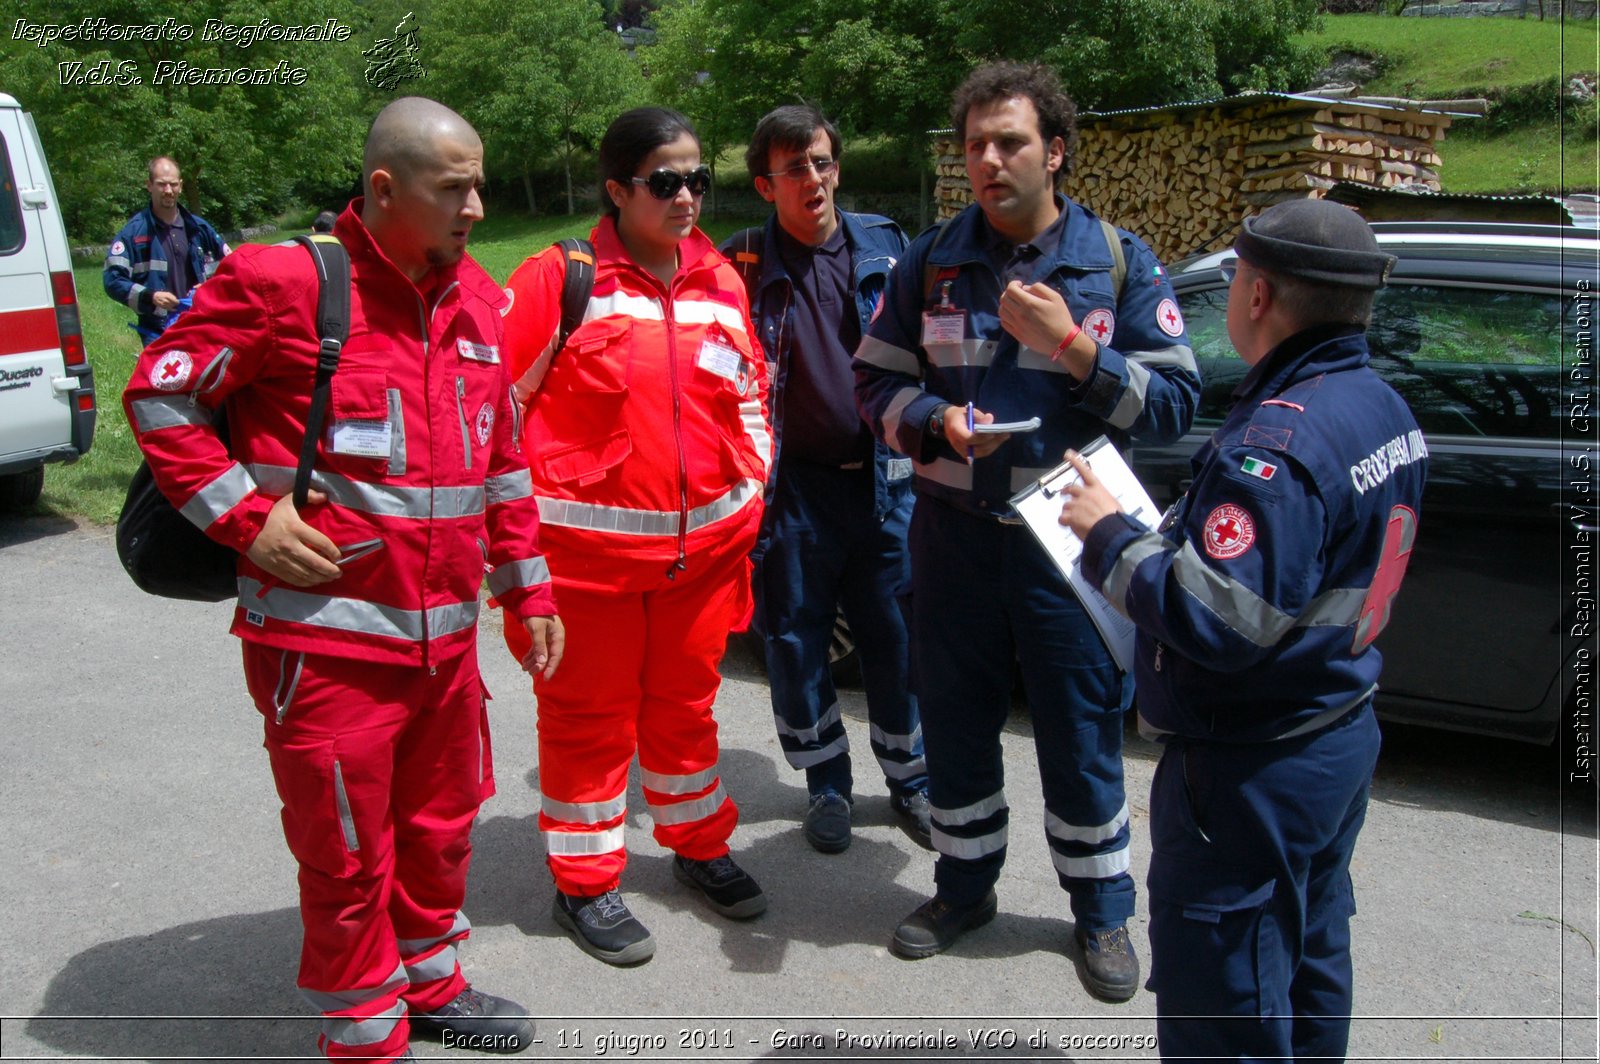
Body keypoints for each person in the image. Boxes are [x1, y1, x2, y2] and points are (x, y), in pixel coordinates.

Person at [122, 97, 563, 1063]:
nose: (478, 207)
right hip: (326, 653)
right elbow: (160, 391)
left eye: (480, 185)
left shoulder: (479, 306)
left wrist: (527, 590)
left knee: (442, 829)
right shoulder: (285, 284)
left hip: (446, 652)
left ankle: (432, 983)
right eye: (455, 188)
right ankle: (365, 1033)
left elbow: (502, 465)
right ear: (383, 189)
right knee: (349, 851)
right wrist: (246, 518)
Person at [853, 60, 1199, 1002]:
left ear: (1054, 150)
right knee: (956, 725)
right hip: (953, 538)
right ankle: (963, 889)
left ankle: (1101, 912)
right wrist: (932, 420)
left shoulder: (1116, 260)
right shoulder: (930, 259)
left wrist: (1077, 350)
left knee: (1080, 735)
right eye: (975, 145)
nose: (989, 160)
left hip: (1071, 548)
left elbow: (1173, 405)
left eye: (1009, 142)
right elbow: (875, 384)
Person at [1060, 199, 1425, 1061]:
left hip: (1251, 767)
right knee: (1307, 958)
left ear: (1257, 295)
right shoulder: (1381, 406)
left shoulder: (1279, 443)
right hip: (1334, 731)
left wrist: (1107, 531)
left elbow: (1219, 622)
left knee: (1223, 1001)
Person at [500, 106, 771, 968]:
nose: (688, 195)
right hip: (586, 571)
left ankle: (697, 844)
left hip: (704, 562)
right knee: (588, 725)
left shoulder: (721, 279)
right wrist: (516, 562)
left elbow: (753, 398)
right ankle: (585, 885)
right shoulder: (557, 280)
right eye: (666, 181)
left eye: (699, 178)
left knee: (688, 714)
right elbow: (494, 420)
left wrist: (751, 490)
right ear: (617, 190)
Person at [720, 104, 929, 855]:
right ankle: (827, 784)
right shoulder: (739, 262)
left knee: (898, 640)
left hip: (887, 485)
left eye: (821, 161)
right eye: (794, 168)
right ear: (763, 184)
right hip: (795, 493)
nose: (813, 178)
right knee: (795, 641)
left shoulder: (887, 245)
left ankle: (911, 780)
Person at [103, 155, 230, 345]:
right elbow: (112, 281)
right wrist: (151, 296)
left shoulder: (198, 228)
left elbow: (232, 266)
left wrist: (209, 285)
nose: (168, 191)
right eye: (162, 184)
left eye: (173, 184)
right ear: (149, 185)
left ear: (180, 184)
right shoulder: (133, 233)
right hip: (157, 330)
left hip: (201, 324)